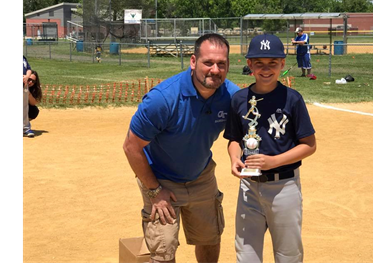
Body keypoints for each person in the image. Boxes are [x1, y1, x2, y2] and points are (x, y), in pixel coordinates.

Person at [123, 34, 240, 263]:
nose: (215, 70)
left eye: (221, 64)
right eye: (208, 62)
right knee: (163, 249)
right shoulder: (163, 99)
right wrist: (155, 191)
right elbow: (131, 147)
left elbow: (243, 134)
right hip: (161, 178)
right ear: (193, 61)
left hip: (201, 175)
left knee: (209, 238)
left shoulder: (232, 97)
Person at [224, 34, 317, 263]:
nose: (266, 69)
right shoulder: (239, 99)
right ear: (250, 66)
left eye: (272, 64)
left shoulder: (292, 99)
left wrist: (273, 162)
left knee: (288, 255)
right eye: (259, 64)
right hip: (248, 187)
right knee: (246, 255)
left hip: (283, 186)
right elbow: (234, 139)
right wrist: (235, 158)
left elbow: (309, 145)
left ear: (282, 64)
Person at [22, 55, 34, 137]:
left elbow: (29, 69)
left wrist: (27, 76)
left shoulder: (23, 58)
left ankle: (25, 128)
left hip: (23, 85)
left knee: (24, 107)